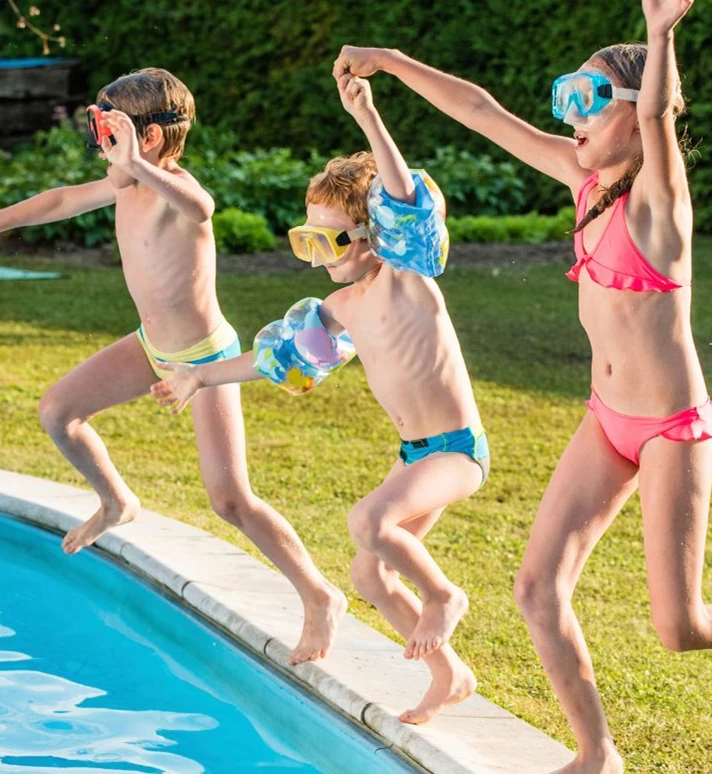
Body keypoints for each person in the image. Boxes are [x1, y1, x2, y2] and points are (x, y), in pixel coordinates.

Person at [332, 0, 712, 769]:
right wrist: (388, 60)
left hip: (667, 431)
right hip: (605, 422)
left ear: (632, 111)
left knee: (678, 627)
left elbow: (656, 114)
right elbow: (481, 111)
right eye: (564, 97)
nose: (568, 117)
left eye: (587, 101)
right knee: (535, 589)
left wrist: (660, 34)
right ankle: (596, 756)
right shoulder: (584, 183)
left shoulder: (658, 204)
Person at [0, 67, 347, 665]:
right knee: (59, 411)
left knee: (229, 499)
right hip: (149, 346)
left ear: (146, 138)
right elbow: (60, 201)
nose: (100, 143)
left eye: (108, 131)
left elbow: (203, 207)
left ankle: (319, 594)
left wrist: (140, 165)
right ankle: (116, 502)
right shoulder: (122, 182)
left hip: (205, 358)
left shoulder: (174, 191)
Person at [150, 72, 487, 724]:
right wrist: (200, 378)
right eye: (305, 238)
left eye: (327, 238)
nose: (314, 252)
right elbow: (280, 357)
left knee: (368, 523)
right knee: (367, 575)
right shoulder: (340, 305)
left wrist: (367, 116)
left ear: (371, 236)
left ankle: (444, 597)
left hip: (455, 450)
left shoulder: (404, 279)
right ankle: (449, 676)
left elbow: (403, 196)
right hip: (414, 452)